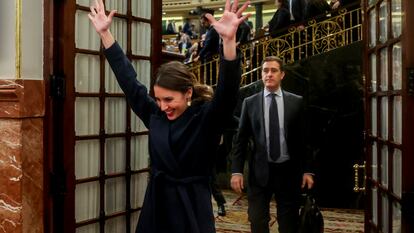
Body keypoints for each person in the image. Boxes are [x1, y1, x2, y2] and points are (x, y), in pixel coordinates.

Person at [88, 0, 250, 232]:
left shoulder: (206, 118)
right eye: (158, 99)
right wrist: (105, 34)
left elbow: (228, 91)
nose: (163, 106)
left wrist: (228, 41)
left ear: (188, 93)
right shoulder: (155, 115)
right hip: (157, 206)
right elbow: (129, 81)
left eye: (169, 99)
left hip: (192, 208)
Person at [230, 56, 314, 233]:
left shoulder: (296, 102)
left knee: (288, 223)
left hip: (288, 172)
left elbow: (304, 140)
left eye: (273, 70)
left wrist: (307, 170)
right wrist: (236, 171)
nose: (269, 74)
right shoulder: (250, 102)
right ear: (261, 74)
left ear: (282, 74)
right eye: (265, 70)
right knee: (257, 221)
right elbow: (240, 140)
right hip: (259, 172)